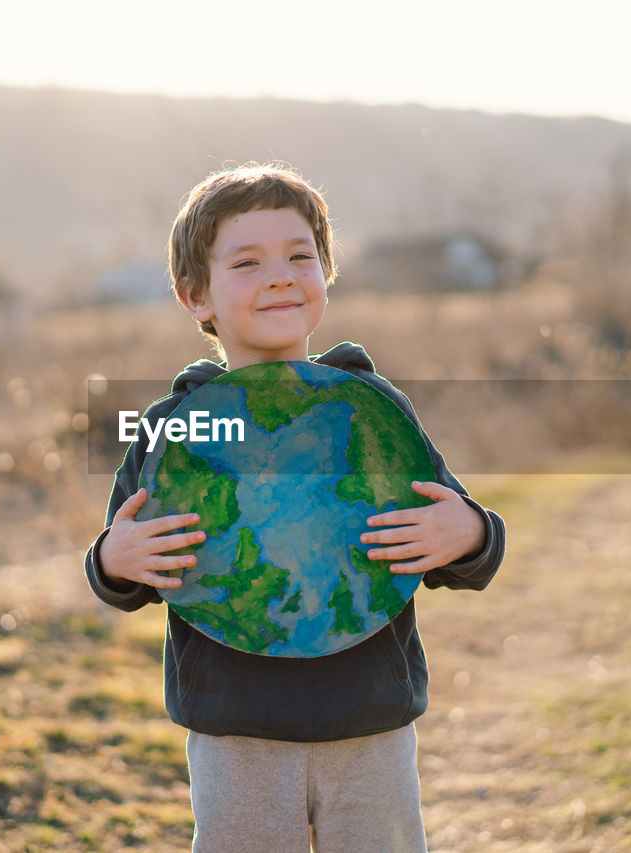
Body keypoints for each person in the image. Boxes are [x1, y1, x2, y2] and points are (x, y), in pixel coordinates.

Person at [84, 162, 506, 852]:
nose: (280, 275)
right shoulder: (181, 427)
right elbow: (122, 563)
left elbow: (456, 535)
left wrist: (469, 531)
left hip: (370, 721)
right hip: (236, 729)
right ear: (197, 296)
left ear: (325, 276)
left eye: (299, 256)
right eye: (247, 261)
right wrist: (111, 558)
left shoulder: (371, 410)